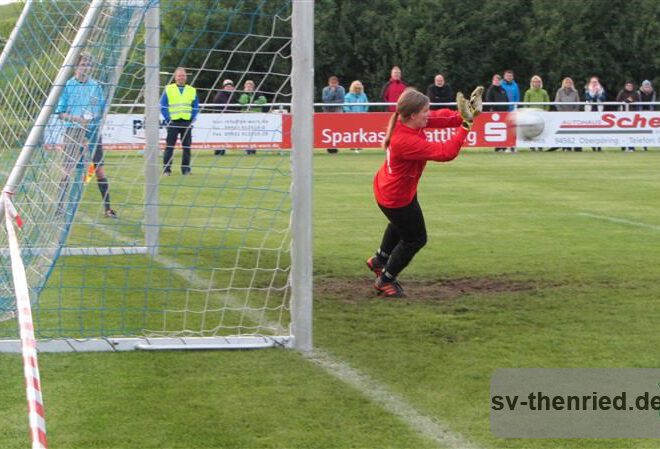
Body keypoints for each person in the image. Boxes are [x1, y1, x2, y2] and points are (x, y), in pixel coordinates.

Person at [365, 86, 483, 297]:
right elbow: (446, 153)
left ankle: (379, 260)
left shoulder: (409, 123)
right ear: (412, 115)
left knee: (401, 224)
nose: (428, 114)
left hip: (392, 189)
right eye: (425, 111)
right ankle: (385, 279)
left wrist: (464, 114)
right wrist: (466, 124)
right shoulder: (405, 141)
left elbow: (439, 117)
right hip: (396, 196)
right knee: (415, 239)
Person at [56, 53, 117, 218]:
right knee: (66, 170)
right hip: (73, 131)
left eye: (89, 64)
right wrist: (77, 120)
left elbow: (101, 109)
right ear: (76, 66)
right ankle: (60, 209)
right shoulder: (67, 86)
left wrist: (91, 121)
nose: (86, 67)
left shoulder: (96, 86)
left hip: (92, 131)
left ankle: (108, 209)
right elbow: (60, 113)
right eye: (83, 63)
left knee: (99, 170)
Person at [161, 67, 199, 173]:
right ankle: (166, 169)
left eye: (183, 75)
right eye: (179, 75)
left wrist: (192, 117)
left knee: (187, 147)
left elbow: (195, 106)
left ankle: (186, 169)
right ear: (175, 77)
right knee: (169, 146)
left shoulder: (191, 90)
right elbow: (163, 106)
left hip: (186, 121)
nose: (181, 77)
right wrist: (168, 118)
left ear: (186, 77)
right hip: (173, 121)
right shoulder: (168, 88)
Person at [238, 79, 268, 155]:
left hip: (256, 116)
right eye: (247, 85)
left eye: (250, 85)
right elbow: (243, 102)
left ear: (253, 87)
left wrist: (254, 103)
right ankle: (247, 149)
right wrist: (245, 94)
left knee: (254, 133)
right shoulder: (242, 94)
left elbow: (263, 100)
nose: (249, 87)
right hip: (245, 116)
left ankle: (253, 148)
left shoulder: (258, 93)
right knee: (246, 133)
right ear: (244, 86)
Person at [552, 77, 582, 151]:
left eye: (569, 82)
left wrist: (574, 112)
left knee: (574, 131)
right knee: (564, 131)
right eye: (566, 82)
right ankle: (566, 147)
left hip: (573, 114)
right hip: (562, 114)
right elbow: (557, 102)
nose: (568, 84)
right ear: (563, 83)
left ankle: (576, 147)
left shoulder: (575, 92)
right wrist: (562, 112)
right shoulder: (560, 91)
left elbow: (578, 103)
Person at [523, 75, 550, 151]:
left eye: (538, 82)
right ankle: (532, 146)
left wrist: (546, 112)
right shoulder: (528, 92)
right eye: (534, 82)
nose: (536, 83)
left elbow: (547, 103)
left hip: (541, 114)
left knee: (541, 130)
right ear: (532, 83)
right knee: (531, 130)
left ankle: (540, 145)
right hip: (531, 114)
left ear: (540, 83)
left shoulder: (544, 92)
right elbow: (526, 103)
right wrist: (527, 112)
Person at [211, 78, 238, 155]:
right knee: (220, 135)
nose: (229, 87)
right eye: (227, 86)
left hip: (230, 118)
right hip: (221, 118)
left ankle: (221, 150)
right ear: (224, 87)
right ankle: (219, 150)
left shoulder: (233, 95)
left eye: (230, 86)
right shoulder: (220, 95)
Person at [485, 74, 509, 153]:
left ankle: (504, 146)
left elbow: (507, 100)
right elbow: (488, 100)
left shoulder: (503, 89)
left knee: (504, 130)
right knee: (497, 130)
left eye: (498, 80)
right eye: (495, 80)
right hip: (495, 113)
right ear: (493, 81)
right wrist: (494, 109)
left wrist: (506, 109)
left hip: (503, 112)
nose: (497, 81)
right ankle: (498, 147)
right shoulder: (490, 90)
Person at [343, 80, 369, 153]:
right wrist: (350, 114)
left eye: (359, 88)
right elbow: (346, 106)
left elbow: (366, 104)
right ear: (353, 88)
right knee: (352, 131)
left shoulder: (363, 95)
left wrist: (364, 112)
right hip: (351, 116)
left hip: (361, 116)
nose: (357, 90)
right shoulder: (348, 96)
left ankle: (359, 144)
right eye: (356, 88)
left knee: (361, 131)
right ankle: (352, 145)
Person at [321, 75, 345, 153]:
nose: (333, 85)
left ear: (338, 83)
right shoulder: (325, 89)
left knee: (337, 128)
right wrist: (332, 91)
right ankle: (328, 146)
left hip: (337, 110)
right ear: (329, 83)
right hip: (327, 111)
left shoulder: (341, 89)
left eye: (335, 83)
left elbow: (341, 101)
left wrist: (331, 102)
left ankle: (336, 145)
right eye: (332, 83)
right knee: (327, 128)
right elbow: (325, 100)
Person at [616, 80, 640, 151]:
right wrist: (625, 101)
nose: (629, 87)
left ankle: (631, 147)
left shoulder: (635, 93)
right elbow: (618, 100)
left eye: (631, 86)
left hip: (633, 115)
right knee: (623, 131)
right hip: (623, 115)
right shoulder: (622, 92)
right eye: (628, 86)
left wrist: (626, 101)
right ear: (625, 86)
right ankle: (623, 145)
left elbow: (635, 99)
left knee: (632, 132)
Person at [584, 76, 606, 151]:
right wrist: (594, 94)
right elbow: (588, 98)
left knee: (599, 129)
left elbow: (604, 98)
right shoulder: (587, 89)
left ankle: (599, 146)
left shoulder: (601, 89)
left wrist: (598, 95)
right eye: (593, 82)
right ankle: (593, 145)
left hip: (599, 110)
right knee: (591, 129)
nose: (594, 83)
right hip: (590, 111)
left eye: (595, 82)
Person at [501, 69, 520, 152]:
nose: (509, 77)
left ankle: (512, 146)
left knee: (512, 129)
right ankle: (502, 147)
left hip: (513, 110)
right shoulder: (501, 84)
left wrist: (515, 107)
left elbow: (517, 97)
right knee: (503, 129)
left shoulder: (515, 85)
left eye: (510, 76)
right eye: (507, 76)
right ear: (504, 76)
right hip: (503, 109)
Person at [638, 80, 655, 151]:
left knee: (648, 130)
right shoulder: (638, 92)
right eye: (645, 86)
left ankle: (646, 145)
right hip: (640, 113)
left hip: (649, 113)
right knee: (641, 130)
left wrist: (651, 112)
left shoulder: (653, 92)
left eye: (648, 86)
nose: (647, 88)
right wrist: (626, 101)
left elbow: (653, 102)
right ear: (643, 86)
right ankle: (642, 145)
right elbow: (632, 98)